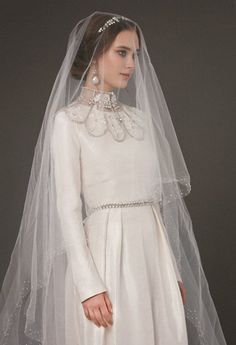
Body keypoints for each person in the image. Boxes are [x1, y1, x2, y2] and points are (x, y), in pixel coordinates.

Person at [0, 11, 227, 345]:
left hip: (153, 256)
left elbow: (155, 201)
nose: (132, 63)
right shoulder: (68, 122)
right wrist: (88, 284)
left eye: (135, 54)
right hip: (106, 256)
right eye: (122, 52)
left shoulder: (140, 121)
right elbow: (67, 209)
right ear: (95, 55)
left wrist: (173, 271)